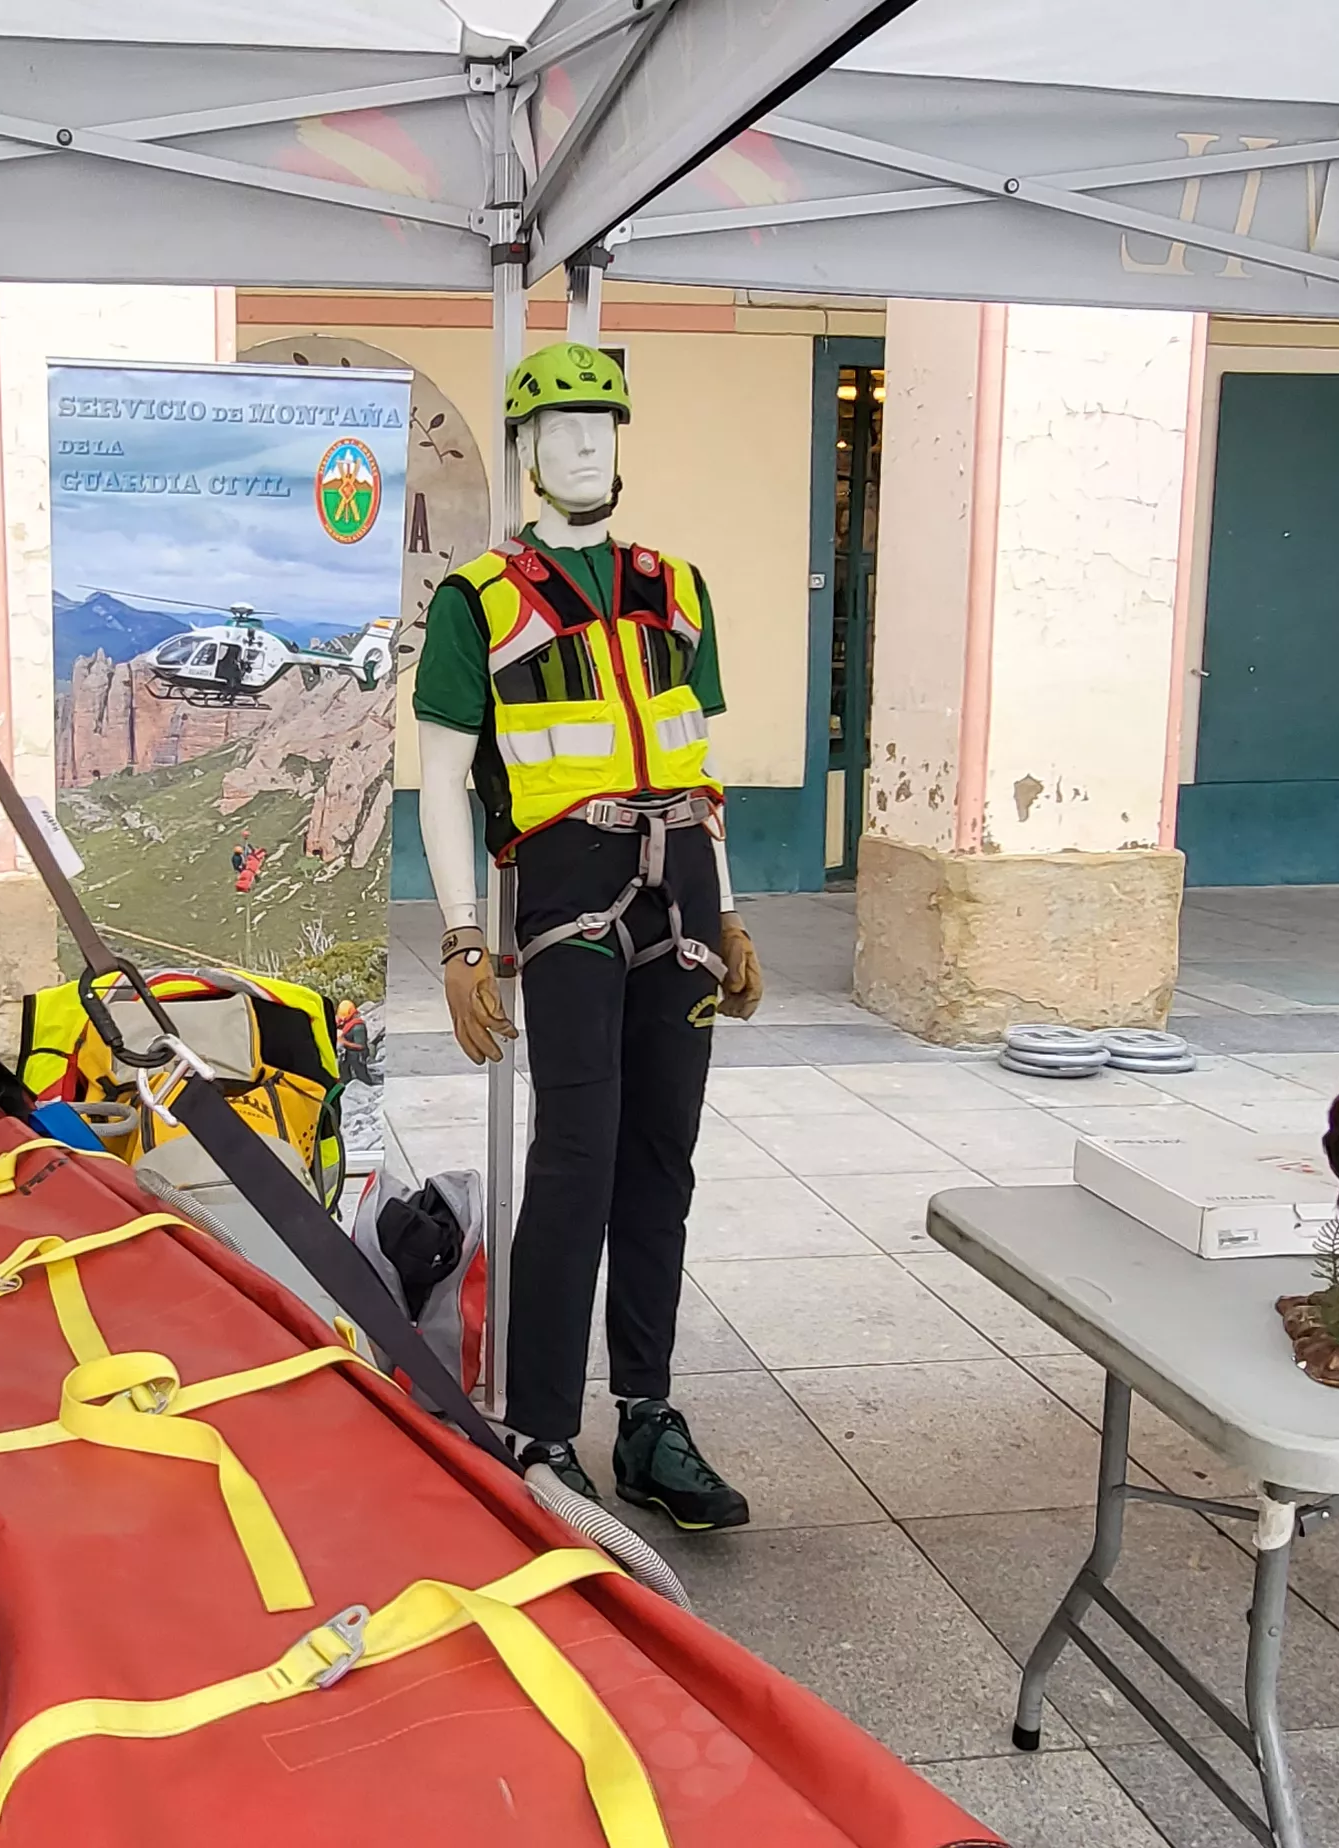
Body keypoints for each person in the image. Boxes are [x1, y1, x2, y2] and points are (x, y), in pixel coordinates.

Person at [409, 342, 760, 1532]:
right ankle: (544, 1431)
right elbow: (444, 779)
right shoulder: (477, 602)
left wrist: (732, 903)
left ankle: (650, 1419)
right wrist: (462, 939)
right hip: (567, 880)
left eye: (599, 428)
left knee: (663, 1157)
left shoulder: (679, 586)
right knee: (576, 1153)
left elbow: (700, 756)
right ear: (520, 453)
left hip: (685, 877)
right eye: (558, 433)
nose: (583, 449)